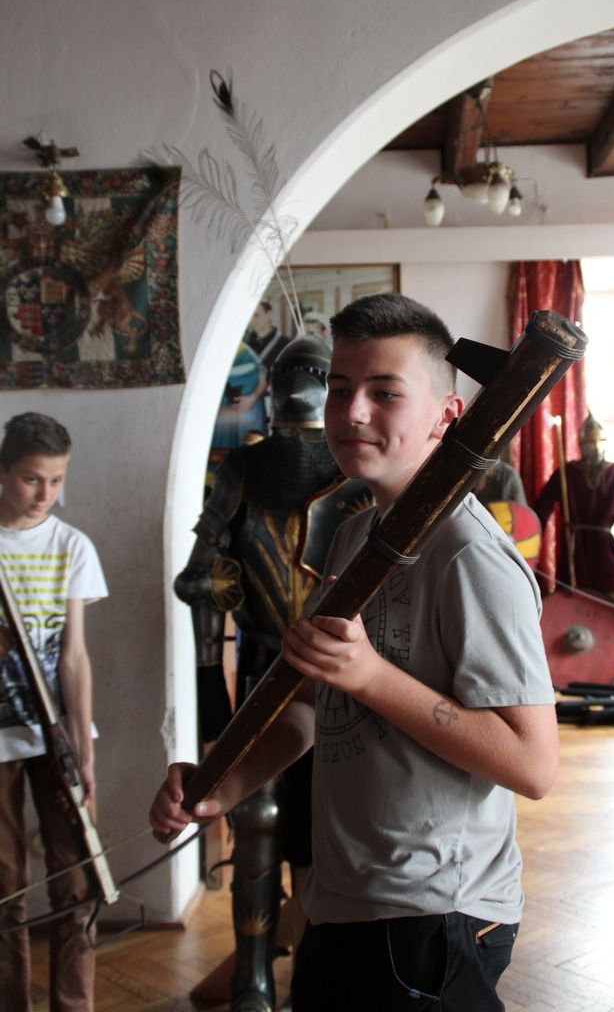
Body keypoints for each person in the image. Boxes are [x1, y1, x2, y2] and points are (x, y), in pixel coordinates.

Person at [151, 293, 559, 1012]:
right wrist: (224, 786)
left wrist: (372, 677)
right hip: (341, 899)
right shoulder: (350, 535)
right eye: (340, 389)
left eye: (385, 392)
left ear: (446, 415)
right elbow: (311, 705)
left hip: (435, 911)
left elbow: (532, 765)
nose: (352, 412)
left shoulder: (469, 556)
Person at [174, 335, 373, 1012]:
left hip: (343, 670)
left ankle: (315, 970)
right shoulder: (242, 470)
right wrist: (209, 688)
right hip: (264, 662)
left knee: (331, 820)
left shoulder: (358, 476)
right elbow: (201, 582)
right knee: (256, 814)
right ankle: (253, 975)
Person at [0, 412, 108, 1012]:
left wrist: (84, 753)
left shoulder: (72, 546)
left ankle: (74, 1005)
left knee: (76, 880)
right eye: (30, 479)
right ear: (3, 472)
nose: (45, 494)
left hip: (56, 734)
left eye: (56, 480)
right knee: (4, 885)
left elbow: (74, 656)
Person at [532, 413, 614, 603]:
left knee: (609, 610)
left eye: (599, 441)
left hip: (604, 554)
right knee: (570, 610)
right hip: (574, 553)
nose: (595, 447)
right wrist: (528, 553)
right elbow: (540, 514)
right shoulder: (566, 473)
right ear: (581, 445)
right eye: (589, 442)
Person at [206, 340, 268, 484]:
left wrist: (252, 398)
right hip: (222, 413)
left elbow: (265, 374)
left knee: (247, 459)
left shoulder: (244, 348)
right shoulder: (210, 349)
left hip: (248, 411)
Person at [245, 300, 290, 369]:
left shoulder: (286, 344)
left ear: (269, 314)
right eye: (250, 316)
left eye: (256, 315)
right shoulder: (245, 344)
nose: (252, 320)